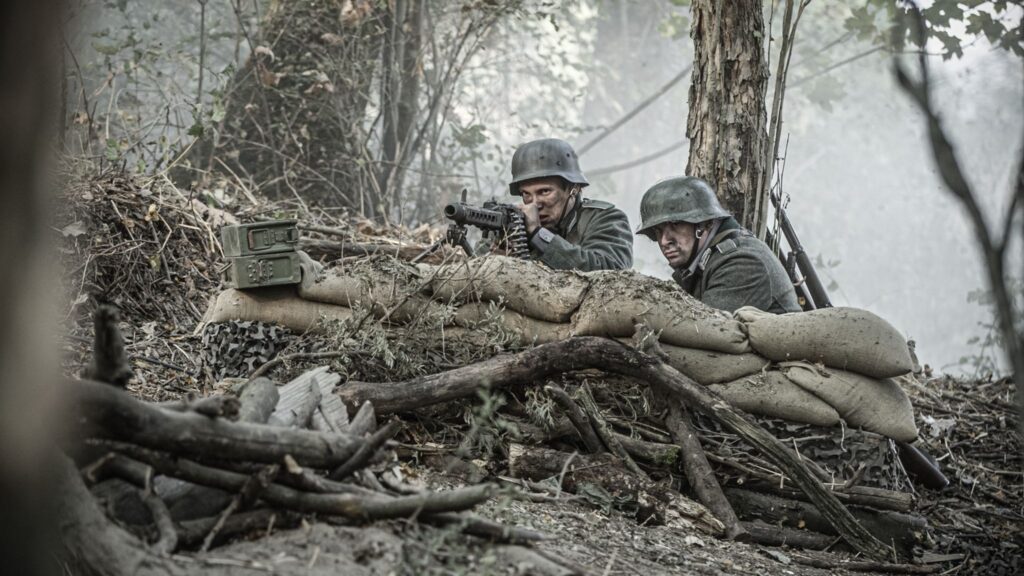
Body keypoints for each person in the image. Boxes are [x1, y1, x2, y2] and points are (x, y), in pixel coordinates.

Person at [636, 176, 801, 314]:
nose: (664, 241)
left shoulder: (742, 264)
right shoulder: (704, 262)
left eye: (675, 225)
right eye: (658, 231)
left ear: (704, 224)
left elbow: (701, 331)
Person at [498, 138, 633, 271]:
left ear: (573, 189)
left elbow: (610, 270)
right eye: (526, 194)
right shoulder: (516, 223)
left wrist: (538, 235)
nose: (535, 204)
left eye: (544, 191)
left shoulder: (605, 218)